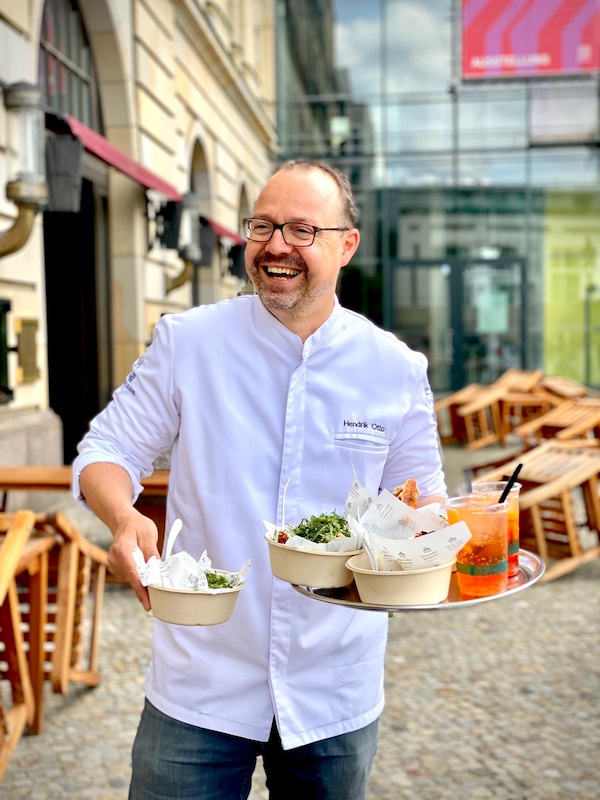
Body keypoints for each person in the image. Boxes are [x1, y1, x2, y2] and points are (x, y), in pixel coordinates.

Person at [72, 160, 447, 800]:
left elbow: (424, 499)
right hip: (201, 679)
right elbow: (106, 449)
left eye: (301, 230)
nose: (276, 246)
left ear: (345, 245)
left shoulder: (393, 366)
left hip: (334, 682)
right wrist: (124, 517)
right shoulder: (188, 341)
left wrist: (431, 546)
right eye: (264, 226)